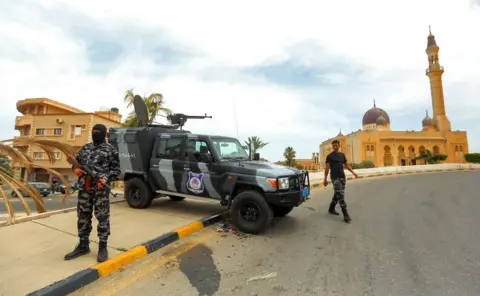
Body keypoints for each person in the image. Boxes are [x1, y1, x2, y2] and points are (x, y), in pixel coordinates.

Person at [64, 124, 121, 262]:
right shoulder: (85, 148)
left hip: (100, 190)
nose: (95, 133)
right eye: (94, 131)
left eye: (98, 132)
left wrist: (105, 178)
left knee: (102, 218)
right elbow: (75, 163)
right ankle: (83, 245)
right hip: (84, 189)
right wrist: (75, 170)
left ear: (104, 134)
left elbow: (116, 170)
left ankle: (102, 246)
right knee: (83, 217)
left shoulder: (111, 150)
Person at [323, 139, 358, 223]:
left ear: (339, 146)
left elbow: (346, 165)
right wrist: (325, 178)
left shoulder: (342, 155)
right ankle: (345, 214)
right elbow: (327, 168)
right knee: (341, 195)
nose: (334, 147)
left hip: (342, 177)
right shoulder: (330, 156)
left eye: (336, 145)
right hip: (334, 178)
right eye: (333, 146)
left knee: (337, 193)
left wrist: (353, 172)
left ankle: (331, 208)